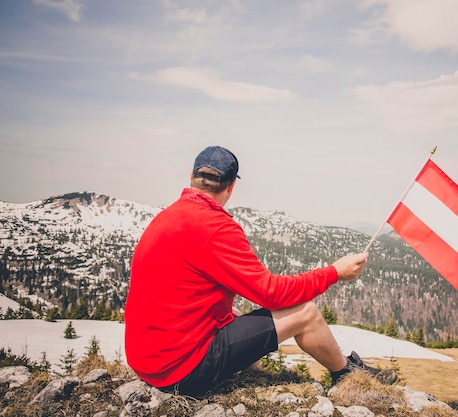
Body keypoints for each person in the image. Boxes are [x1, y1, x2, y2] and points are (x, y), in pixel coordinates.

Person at [124, 145, 397, 397]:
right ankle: (346, 373)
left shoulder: (167, 216)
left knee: (236, 315)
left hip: (149, 362)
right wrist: (334, 273)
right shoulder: (216, 227)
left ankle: (253, 376)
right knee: (306, 314)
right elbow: (271, 294)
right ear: (231, 187)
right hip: (181, 371)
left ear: (191, 178)